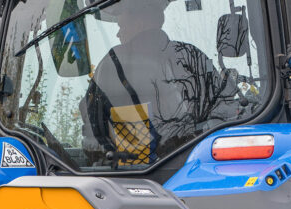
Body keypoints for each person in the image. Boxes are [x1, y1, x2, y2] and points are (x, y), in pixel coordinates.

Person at [79, 0, 232, 167]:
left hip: (131, 170)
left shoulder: (114, 63)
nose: (118, 34)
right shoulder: (193, 57)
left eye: (121, 26)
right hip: (197, 161)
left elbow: (91, 120)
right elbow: (224, 109)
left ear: (140, 22)